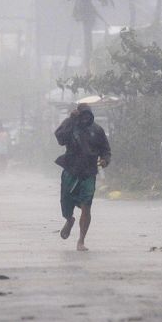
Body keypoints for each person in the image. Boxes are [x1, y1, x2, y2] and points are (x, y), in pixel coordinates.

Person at [54, 103, 111, 251]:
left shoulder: (97, 130)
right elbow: (60, 138)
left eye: (88, 115)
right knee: (66, 202)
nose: (85, 119)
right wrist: (70, 120)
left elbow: (106, 149)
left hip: (89, 172)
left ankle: (81, 240)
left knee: (87, 206)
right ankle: (69, 219)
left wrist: (105, 160)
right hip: (71, 170)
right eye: (82, 115)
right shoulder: (71, 126)